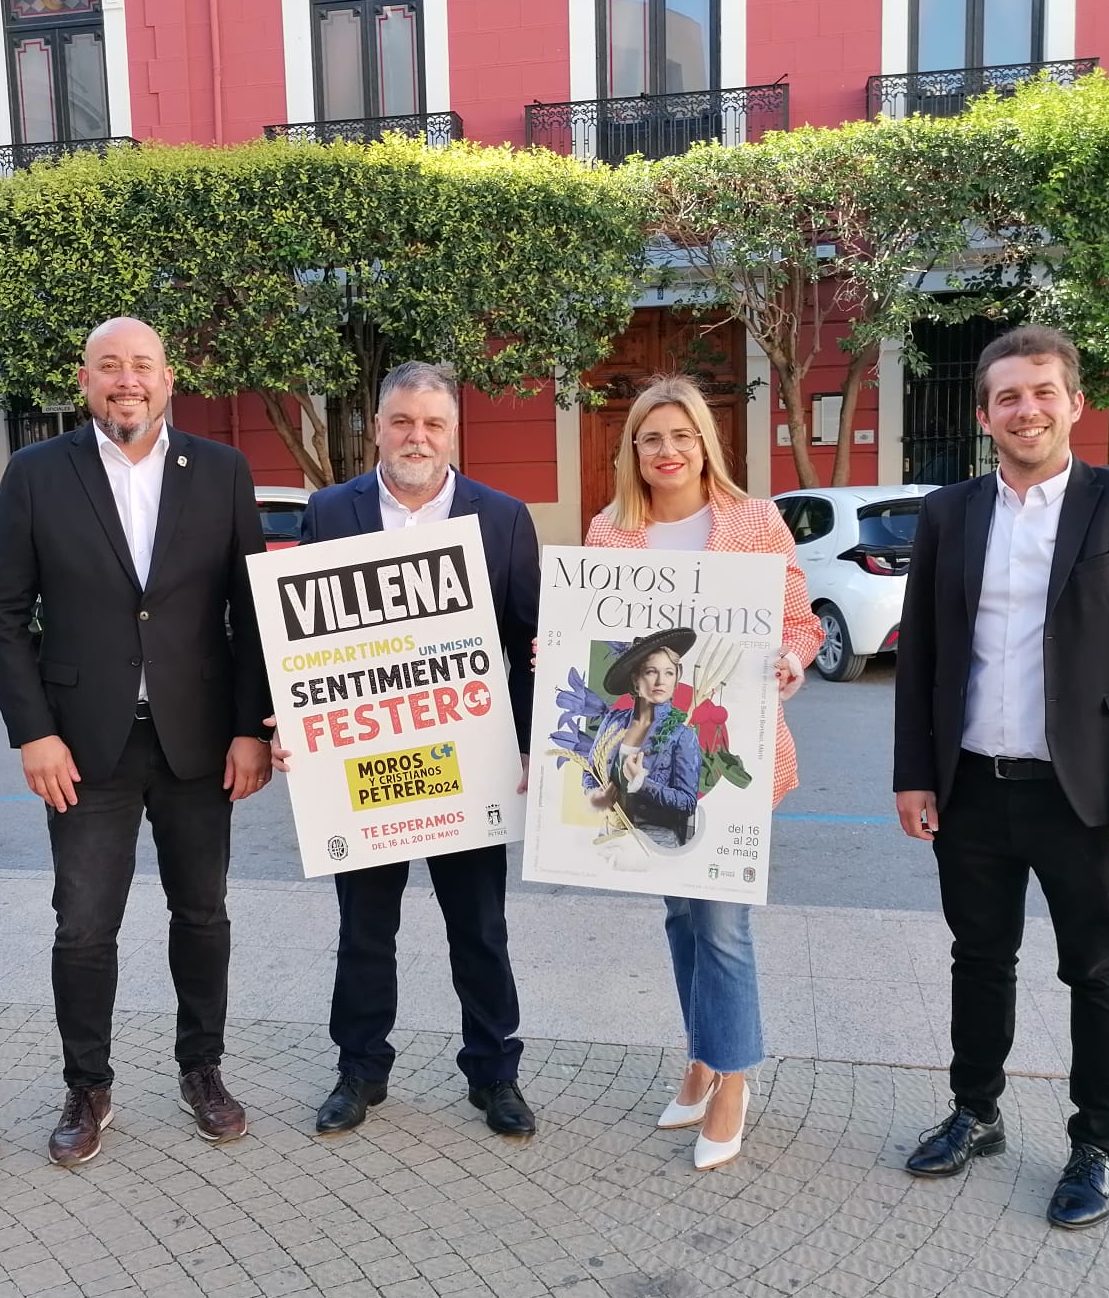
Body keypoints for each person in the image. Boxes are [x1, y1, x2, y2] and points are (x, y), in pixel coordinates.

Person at [892, 324, 1109, 1230]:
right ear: (985, 414)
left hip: (1089, 794)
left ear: (1075, 402)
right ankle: (975, 1112)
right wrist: (915, 774)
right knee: (978, 959)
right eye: (1008, 397)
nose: (1027, 410)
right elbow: (924, 657)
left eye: (1043, 392)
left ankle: (1096, 1142)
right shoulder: (949, 513)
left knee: (1097, 969)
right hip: (973, 783)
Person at [0, 317, 273, 1165]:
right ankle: (87, 1084)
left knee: (203, 913)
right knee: (82, 927)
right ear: (84, 382)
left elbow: (250, 611)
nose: (127, 380)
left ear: (169, 379)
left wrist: (251, 729)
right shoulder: (37, 473)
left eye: (141, 365)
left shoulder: (221, 471)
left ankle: (202, 1070)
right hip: (81, 746)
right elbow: (3, 615)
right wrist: (33, 733)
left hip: (198, 740)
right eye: (109, 367)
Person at [272, 361, 541, 1140]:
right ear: (377, 427)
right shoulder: (330, 511)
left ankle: (495, 1074)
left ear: (453, 432)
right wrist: (291, 720)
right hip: (364, 767)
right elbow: (302, 640)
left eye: (432, 424)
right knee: (364, 929)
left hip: (469, 763)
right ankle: (359, 1071)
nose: (415, 437)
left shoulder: (504, 517)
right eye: (401, 422)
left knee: (480, 929)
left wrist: (523, 746)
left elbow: (529, 639)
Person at [585, 374, 822, 1170]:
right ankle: (699, 1052)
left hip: (731, 753)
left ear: (704, 443)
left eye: (681, 435)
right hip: (649, 759)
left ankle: (732, 1079)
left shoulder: (754, 521)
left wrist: (792, 657)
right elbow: (599, 642)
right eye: (651, 438)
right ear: (634, 450)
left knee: (720, 920)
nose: (667, 451)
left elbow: (799, 619)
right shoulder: (610, 532)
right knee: (683, 917)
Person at [584, 630, 702, 847]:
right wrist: (595, 795)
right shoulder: (613, 721)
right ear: (635, 680)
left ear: (677, 679)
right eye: (650, 672)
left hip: (656, 843)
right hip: (610, 835)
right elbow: (590, 770)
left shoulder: (682, 735)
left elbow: (687, 803)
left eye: (669, 673)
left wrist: (642, 783)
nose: (660, 681)